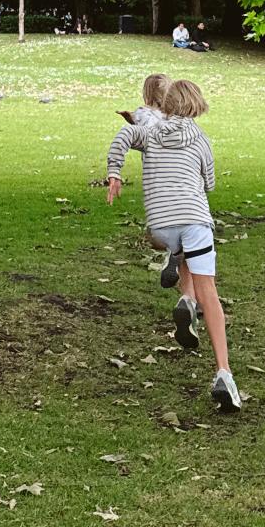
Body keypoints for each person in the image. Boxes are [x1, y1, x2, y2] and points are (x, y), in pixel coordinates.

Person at [103, 76, 241, 412]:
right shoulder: (201, 141)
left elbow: (123, 137)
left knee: (166, 241)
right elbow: (208, 183)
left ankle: (178, 272)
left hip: (161, 225)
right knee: (211, 294)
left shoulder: (149, 133)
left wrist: (115, 173)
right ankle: (223, 371)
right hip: (195, 220)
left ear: (165, 105)